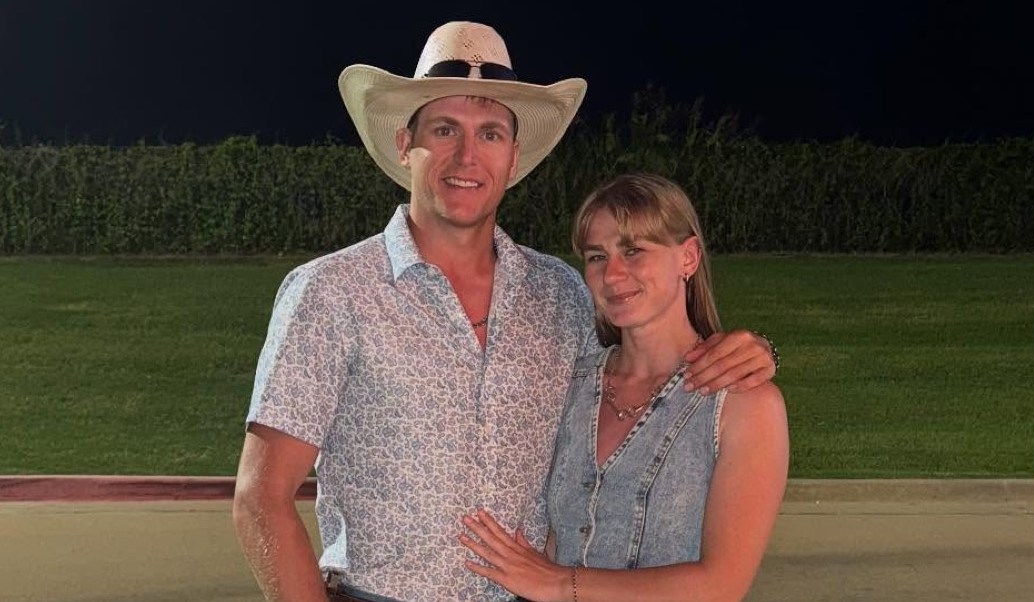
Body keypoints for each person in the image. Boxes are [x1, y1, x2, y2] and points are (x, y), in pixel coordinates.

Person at [232, 22, 779, 602]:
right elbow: (261, 499)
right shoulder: (331, 292)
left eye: (490, 133)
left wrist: (753, 351)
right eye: (445, 129)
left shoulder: (560, 294)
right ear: (405, 143)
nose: (467, 156)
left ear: (513, 156)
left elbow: (643, 366)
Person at [459, 173, 790, 602]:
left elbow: (720, 585)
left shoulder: (744, 405)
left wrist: (559, 583)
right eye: (597, 256)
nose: (613, 274)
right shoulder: (571, 384)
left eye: (633, 250)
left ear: (688, 257)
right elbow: (555, 533)